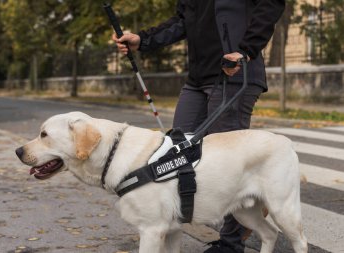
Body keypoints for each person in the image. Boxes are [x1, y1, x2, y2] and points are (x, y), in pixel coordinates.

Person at [113, 0, 285, 252]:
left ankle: (231, 243)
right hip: (197, 78)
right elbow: (182, 20)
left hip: (235, 72)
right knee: (177, 153)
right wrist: (143, 39)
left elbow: (271, 5)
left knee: (229, 162)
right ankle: (170, 226)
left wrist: (246, 50)